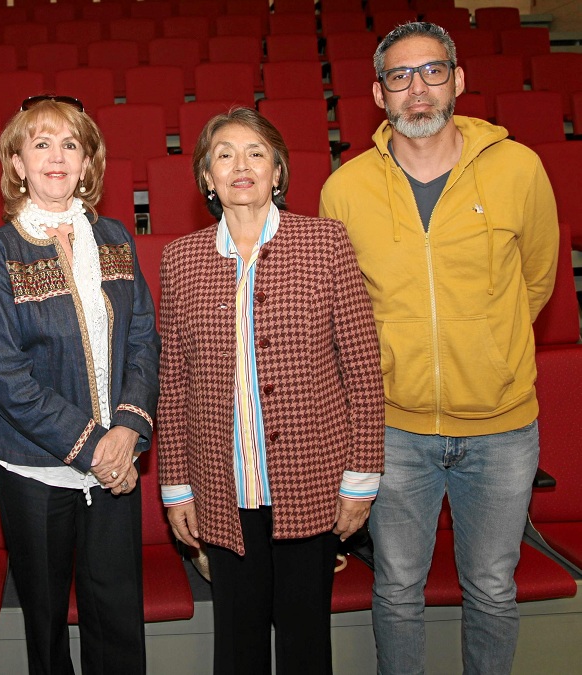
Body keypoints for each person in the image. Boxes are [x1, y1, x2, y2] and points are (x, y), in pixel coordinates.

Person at [319, 22, 560, 675]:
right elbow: (342, 309)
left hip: (502, 428)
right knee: (397, 588)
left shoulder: (518, 168)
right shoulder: (345, 189)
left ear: (457, 80)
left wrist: (488, 346)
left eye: (431, 72)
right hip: (393, 428)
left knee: (491, 587)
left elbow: (537, 279)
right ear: (378, 94)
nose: (417, 89)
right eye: (399, 77)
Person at [158, 107, 384, 675]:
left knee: (306, 644)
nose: (241, 166)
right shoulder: (180, 259)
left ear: (278, 172)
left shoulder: (325, 242)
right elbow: (174, 382)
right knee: (237, 645)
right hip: (220, 485)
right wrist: (176, 485)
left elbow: (362, 367)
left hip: (310, 480)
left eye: (256, 153)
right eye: (224, 155)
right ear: (206, 178)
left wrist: (361, 478)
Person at [0, 95, 159, 675]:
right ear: (17, 163)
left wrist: (125, 432)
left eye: (70, 144)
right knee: (47, 624)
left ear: (88, 163)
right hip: (35, 472)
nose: (57, 157)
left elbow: (143, 342)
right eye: (41, 144)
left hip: (117, 465)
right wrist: (94, 445)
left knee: (119, 621)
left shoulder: (115, 238)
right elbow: (6, 375)